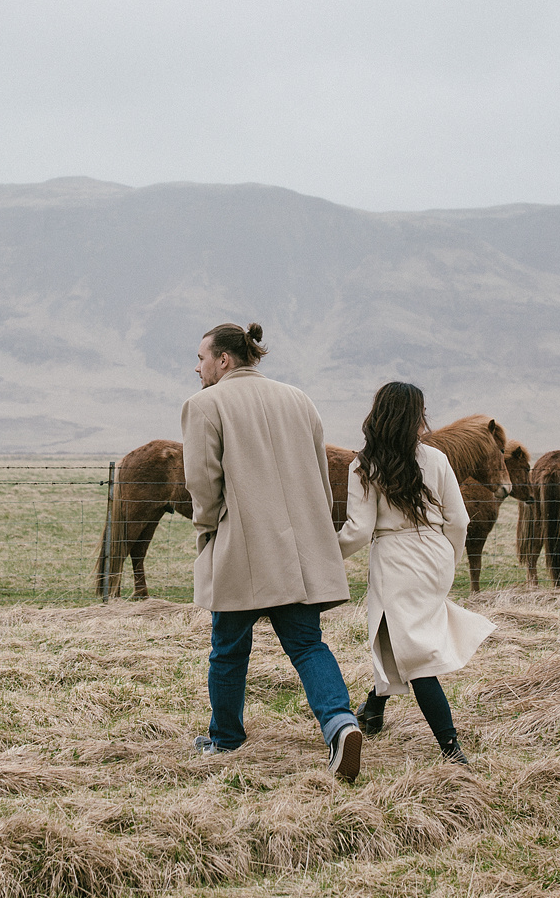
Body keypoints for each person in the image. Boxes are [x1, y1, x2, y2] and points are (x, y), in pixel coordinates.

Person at [182, 321, 365, 781]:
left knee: (227, 648)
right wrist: (315, 527)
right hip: (298, 552)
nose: (196, 368)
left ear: (223, 360)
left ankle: (226, 738)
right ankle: (341, 725)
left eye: (201, 358)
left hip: (241, 547)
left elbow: (202, 484)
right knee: (307, 644)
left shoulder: (205, 405)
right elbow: (321, 476)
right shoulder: (298, 399)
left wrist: (209, 528)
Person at [337, 381, 494, 764]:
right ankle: (374, 710)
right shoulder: (436, 460)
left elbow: (358, 530)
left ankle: (451, 749)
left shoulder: (365, 465)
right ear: (416, 417)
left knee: (417, 655)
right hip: (436, 554)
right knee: (396, 634)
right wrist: (449, 560)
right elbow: (458, 520)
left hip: (396, 560)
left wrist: (324, 555)